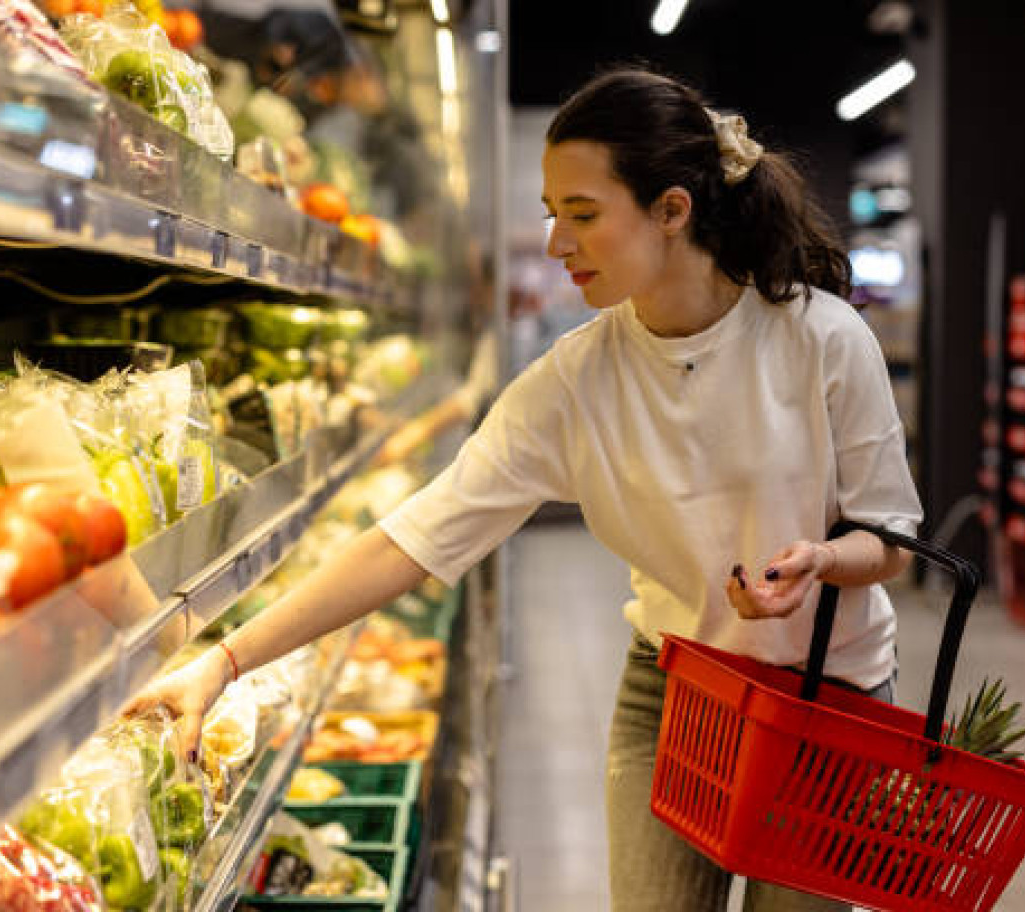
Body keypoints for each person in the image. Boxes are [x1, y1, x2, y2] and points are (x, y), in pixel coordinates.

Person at [125, 66, 922, 911]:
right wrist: (224, 662)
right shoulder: (575, 380)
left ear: (672, 209)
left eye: (582, 215)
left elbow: (892, 543)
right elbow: (413, 537)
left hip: (823, 702)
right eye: (553, 216)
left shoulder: (821, 340)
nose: (556, 244)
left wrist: (826, 558)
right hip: (675, 691)